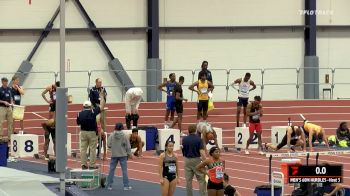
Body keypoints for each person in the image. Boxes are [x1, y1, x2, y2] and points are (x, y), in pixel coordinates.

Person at [76, 90, 105, 169]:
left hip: (83, 132)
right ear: (90, 106)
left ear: (83, 106)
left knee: (83, 149)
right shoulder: (93, 111)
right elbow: (101, 106)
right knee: (92, 149)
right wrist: (102, 97)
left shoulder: (79, 113)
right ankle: (92, 165)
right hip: (92, 133)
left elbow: (78, 123)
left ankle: (83, 164)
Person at [106, 123, 133, 191]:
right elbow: (128, 146)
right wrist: (129, 154)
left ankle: (109, 185)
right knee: (124, 171)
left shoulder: (112, 135)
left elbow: (108, 144)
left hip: (114, 155)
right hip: (123, 155)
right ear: (122, 128)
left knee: (111, 170)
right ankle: (126, 186)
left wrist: (114, 147)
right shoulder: (124, 135)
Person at [182, 124, 207, 196]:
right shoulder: (199, 139)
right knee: (201, 179)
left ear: (188, 130)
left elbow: (183, 150)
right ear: (195, 130)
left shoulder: (184, 139)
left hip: (187, 160)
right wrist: (206, 161)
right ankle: (202, 195)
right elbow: (201, 151)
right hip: (196, 160)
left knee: (188, 181)